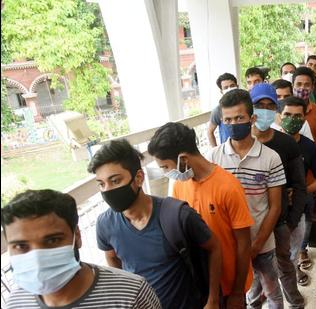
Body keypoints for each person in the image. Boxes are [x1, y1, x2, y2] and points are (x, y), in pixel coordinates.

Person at [89, 139, 222, 309]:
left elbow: (214, 248)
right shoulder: (105, 224)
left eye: (115, 181)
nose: (108, 190)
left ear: (138, 178)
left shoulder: (178, 215)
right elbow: (112, 258)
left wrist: (213, 301)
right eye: (101, 184)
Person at [148, 122, 255, 308]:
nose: (166, 173)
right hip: (201, 284)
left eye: (166, 167)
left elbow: (244, 243)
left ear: (183, 159)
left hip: (229, 286)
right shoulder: (180, 185)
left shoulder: (228, 187)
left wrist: (237, 292)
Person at [2, 189, 161, 309]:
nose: (36, 257)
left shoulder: (131, 293)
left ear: (77, 236)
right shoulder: (15, 303)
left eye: (52, 240)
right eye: (21, 246)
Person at [207, 89, 285, 309]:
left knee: (272, 290)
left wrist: (257, 244)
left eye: (239, 118)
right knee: (239, 291)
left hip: (262, 241)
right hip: (227, 244)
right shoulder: (213, 157)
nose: (233, 123)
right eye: (228, 119)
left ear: (252, 119)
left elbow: (275, 206)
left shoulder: (270, 157)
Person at [249, 83, 306, 308]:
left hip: (280, 220)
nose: (264, 110)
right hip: (252, 221)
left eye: (269, 105)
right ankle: (253, 303)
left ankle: (295, 302)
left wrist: (291, 222)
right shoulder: (242, 143)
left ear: (275, 110)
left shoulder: (286, 143)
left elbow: (300, 186)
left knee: (284, 263)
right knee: (254, 268)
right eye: (258, 105)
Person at [278, 97, 316, 286]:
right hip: (274, 203)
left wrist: (301, 191)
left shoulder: (308, 146)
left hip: (299, 202)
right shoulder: (269, 143)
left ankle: (295, 268)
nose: (293, 119)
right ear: (279, 117)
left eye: (298, 116)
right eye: (287, 115)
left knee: (296, 241)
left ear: (305, 118)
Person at [293, 66, 316, 167]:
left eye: (307, 85)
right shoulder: (282, 111)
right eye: (299, 84)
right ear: (293, 86)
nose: (302, 88)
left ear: (313, 87)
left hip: (311, 167)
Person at [208, 73, 239, 147]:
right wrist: (215, 151)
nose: (229, 89)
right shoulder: (218, 110)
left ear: (237, 86)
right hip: (227, 152)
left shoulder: (246, 105)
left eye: (232, 86)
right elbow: (210, 132)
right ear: (221, 91)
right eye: (225, 88)